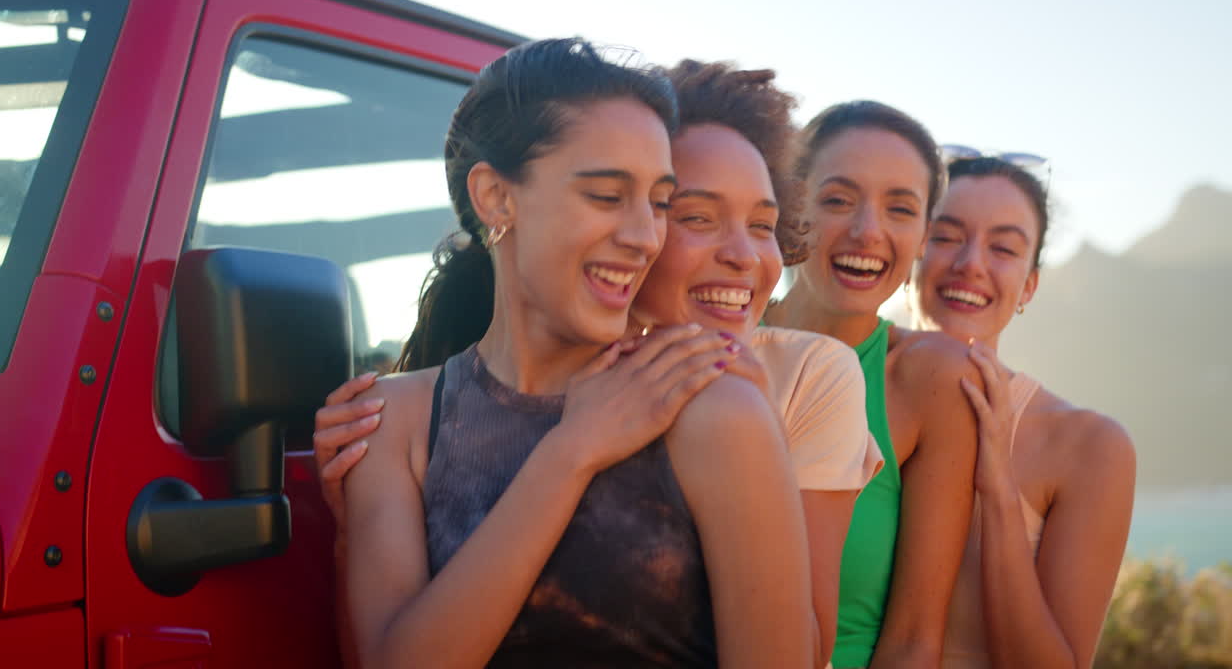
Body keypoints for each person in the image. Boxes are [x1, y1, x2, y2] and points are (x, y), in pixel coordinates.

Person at [319, 59, 882, 667]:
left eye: (661, 203)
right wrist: (570, 453)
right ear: (496, 197)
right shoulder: (395, 420)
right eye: (608, 196)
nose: (644, 235)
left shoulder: (716, 411)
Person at [764, 101, 982, 669]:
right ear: (789, 205)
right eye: (838, 200)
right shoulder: (714, 336)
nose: (868, 232)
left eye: (900, 210)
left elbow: (914, 638)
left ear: (923, 236)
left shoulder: (929, 380)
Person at [911, 155, 1136, 668]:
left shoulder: (1087, 445)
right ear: (911, 253)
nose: (971, 263)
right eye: (945, 236)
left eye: (1004, 248)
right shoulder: (838, 397)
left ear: (1029, 287)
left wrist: (997, 495)